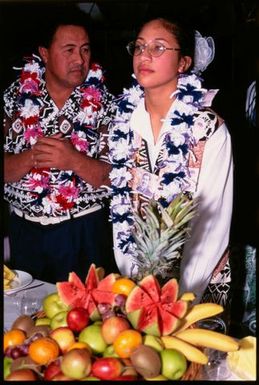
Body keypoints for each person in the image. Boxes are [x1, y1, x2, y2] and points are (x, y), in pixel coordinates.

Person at [109, 17, 233, 305]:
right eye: (139, 47)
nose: (144, 55)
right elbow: (120, 210)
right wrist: (133, 278)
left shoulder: (209, 130)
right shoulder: (124, 123)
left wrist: (183, 296)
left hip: (195, 289)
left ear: (183, 63)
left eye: (159, 47)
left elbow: (212, 225)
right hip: (136, 284)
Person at [3, 9, 117, 283]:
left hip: (85, 232)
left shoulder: (109, 104)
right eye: (69, 50)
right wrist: (33, 157)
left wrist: (74, 160)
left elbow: (118, 177)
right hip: (25, 232)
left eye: (85, 50)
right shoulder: (12, 99)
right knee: (27, 318)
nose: (80, 59)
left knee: (88, 319)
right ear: (44, 52)